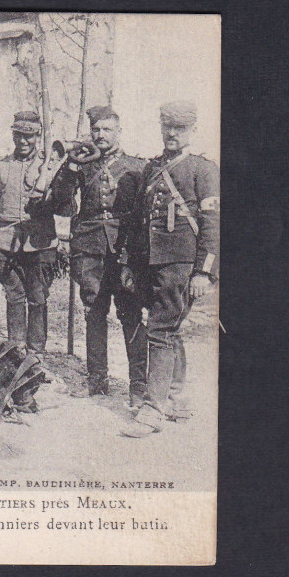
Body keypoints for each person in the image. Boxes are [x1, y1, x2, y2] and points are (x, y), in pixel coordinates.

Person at [118, 101, 219, 438]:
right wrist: (130, 263)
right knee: (168, 327)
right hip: (151, 262)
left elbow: (213, 224)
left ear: (192, 130)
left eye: (180, 128)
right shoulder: (153, 167)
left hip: (181, 262)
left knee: (160, 329)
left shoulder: (202, 170)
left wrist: (203, 272)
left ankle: (154, 408)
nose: (172, 133)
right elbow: (137, 220)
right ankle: (175, 397)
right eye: (167, 127)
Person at [50, 105, 148, 406]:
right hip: (89, 247)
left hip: (123, 248)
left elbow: (143, 213)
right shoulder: (82, 164)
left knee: (130, 313)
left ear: (118, 131)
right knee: (93, 311)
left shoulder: (136, 166)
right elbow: (60, 202)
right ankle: (97, 379)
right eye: (96, 129)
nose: (100, 134)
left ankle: (139, 386)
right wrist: (70, 167)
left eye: (106, 129)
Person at [0, 111, 58, 355]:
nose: (23, 141)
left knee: (38, 297)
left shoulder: (49, 166)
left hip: (40, 243)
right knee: (14, 295)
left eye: (29, 136)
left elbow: (63, 203)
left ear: (38, 136)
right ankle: (16, 348)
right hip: (6, 243)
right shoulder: (1, 168)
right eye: (18, 136)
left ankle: (35, 352)